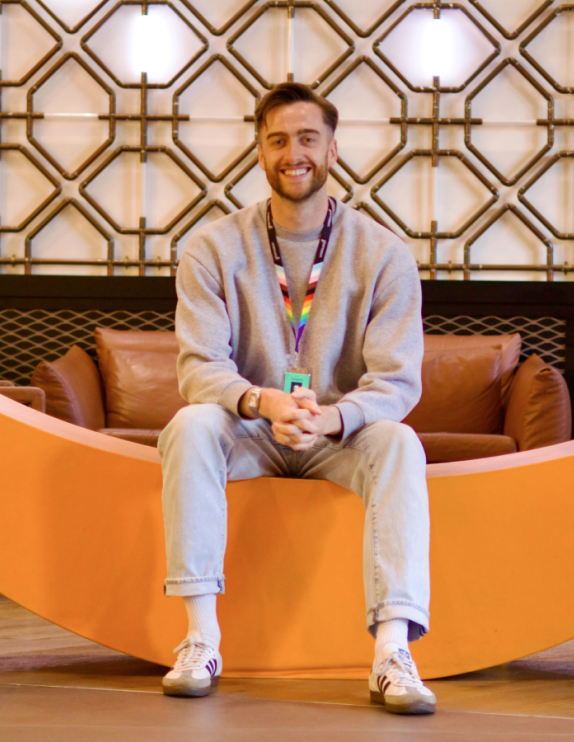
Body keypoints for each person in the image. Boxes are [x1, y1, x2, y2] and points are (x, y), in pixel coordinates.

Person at [159, 82, 435, 714]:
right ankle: (201, 637)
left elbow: (397, 379)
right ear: (260, 151)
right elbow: (200, 366)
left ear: (332, 149)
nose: (294, 153)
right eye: (278, 140)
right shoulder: (210, 248)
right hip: (252, 427)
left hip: (340, 435)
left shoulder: (385, 253)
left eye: (308, 138)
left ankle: (392, 651)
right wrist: (263, 403)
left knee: (399, 440)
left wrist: (334, 417)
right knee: (190, 424)